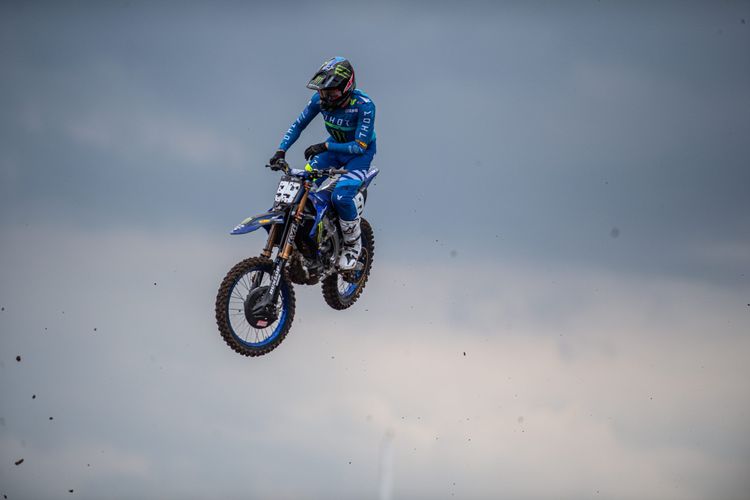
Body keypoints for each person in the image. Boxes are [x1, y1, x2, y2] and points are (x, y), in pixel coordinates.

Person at [269, 57, 377, 270]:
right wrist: (281, 150)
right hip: (332, 149)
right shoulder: (318, 101)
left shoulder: (364, 106)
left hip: (358, 156)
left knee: (341, 197)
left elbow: (359, 146)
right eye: (322, 92)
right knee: (301, 183)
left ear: (346, 88)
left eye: (331, 93)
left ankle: (353, 244)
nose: (326, 97)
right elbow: (298, 125)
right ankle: (307, 235)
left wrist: (325, 146)